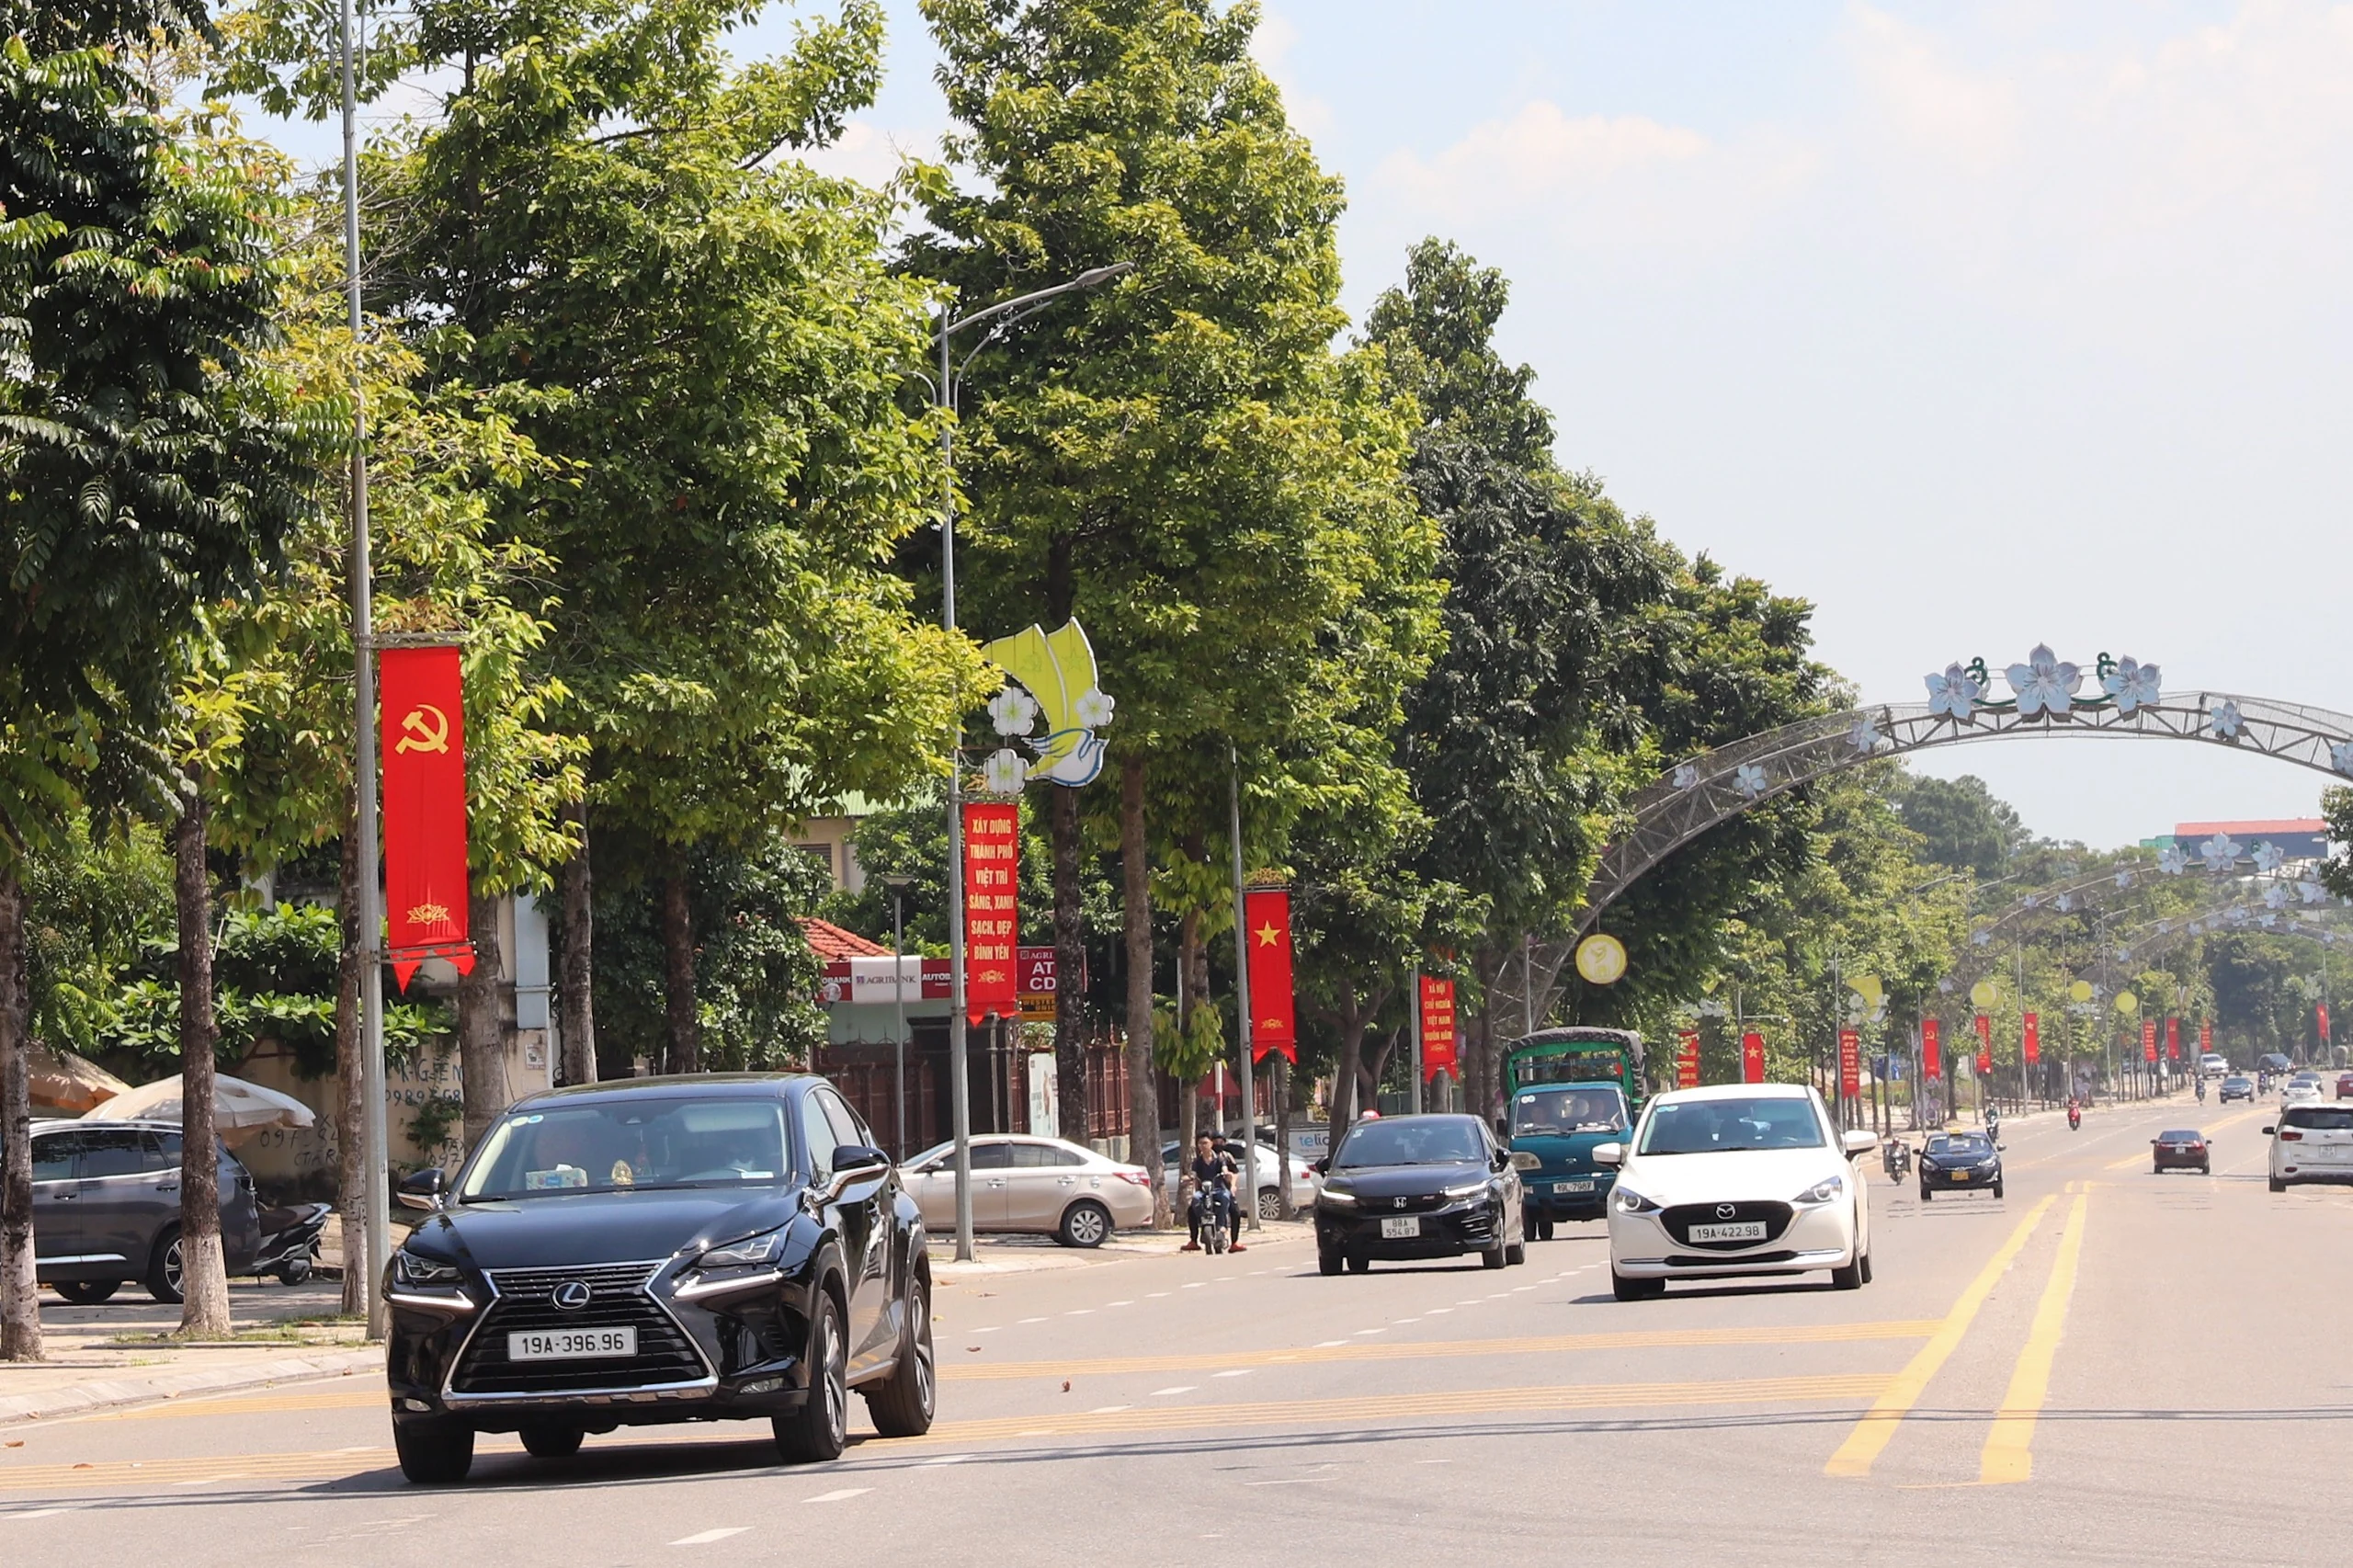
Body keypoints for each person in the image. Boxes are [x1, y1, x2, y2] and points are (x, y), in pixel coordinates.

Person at [1180, 1134, 1245, 1253]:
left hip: (1221, 1189)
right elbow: (1193, 1174)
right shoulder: (1197, 1161)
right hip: (1204, 1191)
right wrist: (1188, 1178)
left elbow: (1230, 1171)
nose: (1203, 1146)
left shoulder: (1223, 1157)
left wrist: (1231, 1182)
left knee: (1233, 1208)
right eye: (1200, 1143)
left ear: (1211, 1144)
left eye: (1205, 1143)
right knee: (1193, 1204)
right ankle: (1195, 1238)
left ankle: (1227, 1232)